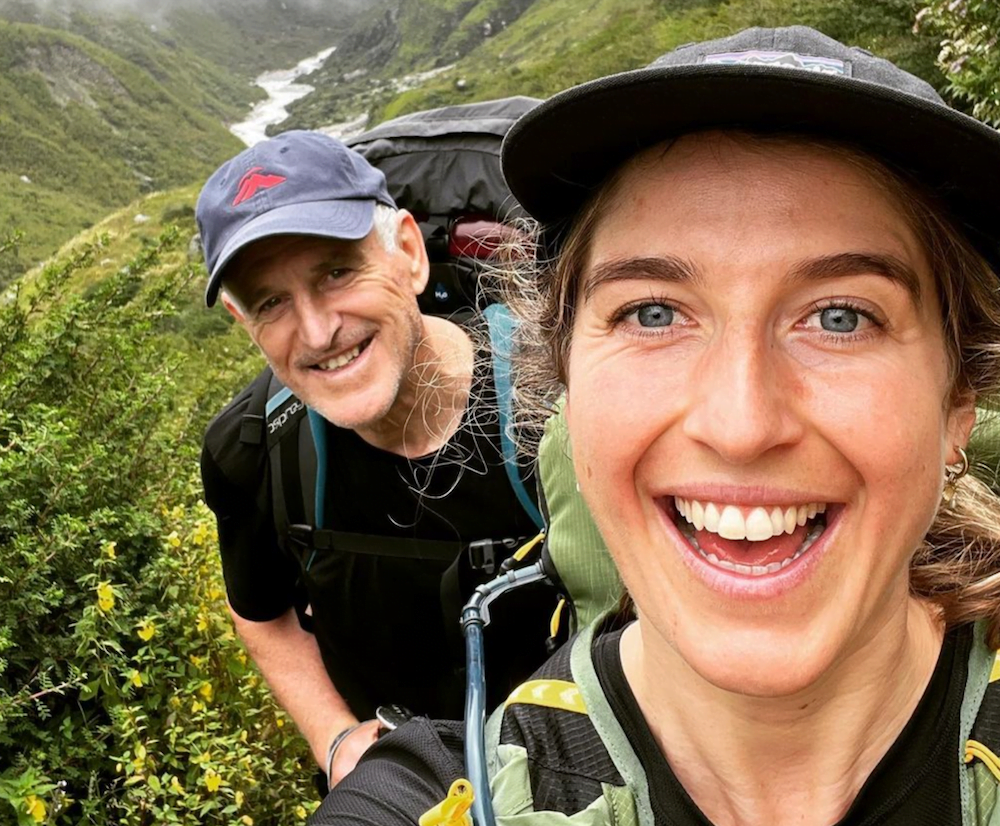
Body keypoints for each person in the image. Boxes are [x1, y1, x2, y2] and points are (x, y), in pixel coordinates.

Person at [310, 25, 1000, 825]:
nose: (740, 425)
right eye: (654, 312)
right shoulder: (447, 798)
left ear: (959, 406)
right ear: (565, 380)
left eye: (842, 317)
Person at [195, 131, 552, 789]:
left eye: (337, 271)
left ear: (409, 254)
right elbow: (262, 613)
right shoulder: (251, 450)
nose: (318, 331)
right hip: (401, 788)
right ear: (243, 321)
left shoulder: (554, 395)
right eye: (270, 301)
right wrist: (335, 740)